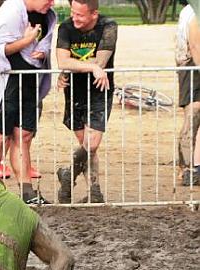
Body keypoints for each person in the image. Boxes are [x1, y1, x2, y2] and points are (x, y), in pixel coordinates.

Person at [0, 0, 56, 205]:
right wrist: (26, 41)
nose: (52, 2)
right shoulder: (11, 12)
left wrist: (42, 50)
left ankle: (27, 192)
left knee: (24, 136)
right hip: (6, 81)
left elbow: (45, 40)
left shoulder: (48, 15)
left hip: (29, 80)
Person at [55, 0, 117, 203]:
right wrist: (90, 68)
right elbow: (62, 61)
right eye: (73, 13)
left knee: (91, 143)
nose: (75, 18)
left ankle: (68, 172)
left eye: (80, 15)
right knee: (86, 144)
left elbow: (101, 61)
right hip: (74, 91)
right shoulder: (66, 27)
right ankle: (94, 189)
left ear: (94, 14)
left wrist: (79, 65)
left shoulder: (108, 26)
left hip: (99, 91)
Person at [175, 0, 200, 186]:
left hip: (189, 65)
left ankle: (189, 167)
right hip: (192, 67)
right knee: (193, 114)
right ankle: (186, 169)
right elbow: (195, 46)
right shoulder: (194, 11)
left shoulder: (189, 10)